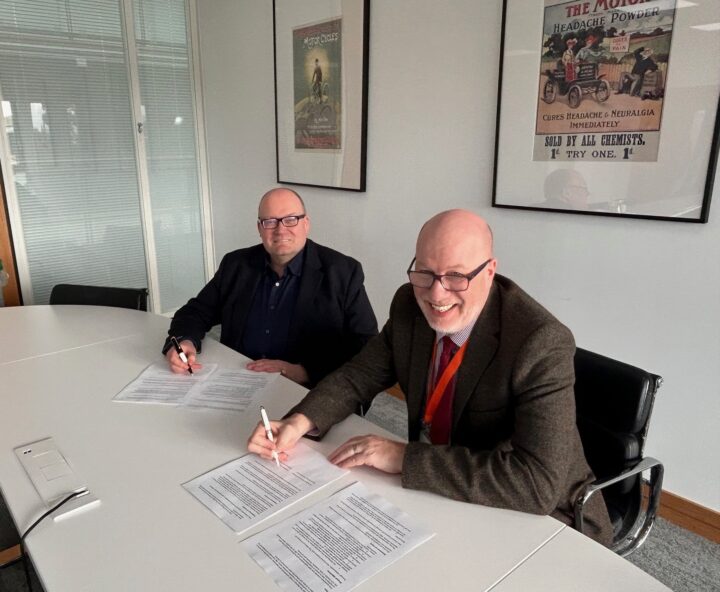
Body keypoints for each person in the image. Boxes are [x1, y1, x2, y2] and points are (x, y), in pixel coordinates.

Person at [248, 209, 613, 545]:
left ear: (489, 271)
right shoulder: (409, 303)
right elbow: (358, 375)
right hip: (446, 492)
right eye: (424, 271)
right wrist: (299, 421)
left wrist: (404, 458)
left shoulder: (539, 341)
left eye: (456, 275)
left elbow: (536, 484)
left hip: (547, 519)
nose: (436, 294)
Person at [163, 187, 378, 387]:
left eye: (291, 220)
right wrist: (184, 342)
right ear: (259, 228)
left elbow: (365, 344)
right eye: (270, 222)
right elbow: (196, 311)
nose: (280, 230)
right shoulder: (236, 265)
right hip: (239, 377)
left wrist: (302, 371)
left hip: (304, 389)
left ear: (306, 224)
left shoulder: (342, 272)